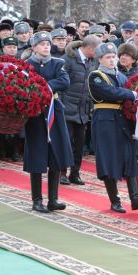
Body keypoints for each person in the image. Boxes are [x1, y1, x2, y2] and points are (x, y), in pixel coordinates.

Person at [87, 42, 138, 213]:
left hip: (121, 119)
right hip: (105, 120)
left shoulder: (121, 76)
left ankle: (135, 197)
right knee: (109, 158)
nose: (112, 60)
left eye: (114, 57)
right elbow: (110, 93)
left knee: (129, 156)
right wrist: (132, 94)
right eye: (108, 57)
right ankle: (115, 200)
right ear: (100, 59)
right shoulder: (96, 76)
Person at [24, 31, 74, 213]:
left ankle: (53, 198)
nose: (46, 46)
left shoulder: (58, 63)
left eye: (48, 43)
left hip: (54, 109)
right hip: (35, 113)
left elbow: (64, 81)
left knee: (56, 154)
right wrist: (43, 85)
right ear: (34, 47)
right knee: (37, 155)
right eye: (42, 44)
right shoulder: (27, 65)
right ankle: (37, 200)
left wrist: (44, 85)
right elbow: (25, 83)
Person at [60, 35, 100, 186]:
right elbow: (62, 82)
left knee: (79, 144)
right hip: (67, 109)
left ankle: (74, 173)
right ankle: (62, 173)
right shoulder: (68, 59)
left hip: (83, 110)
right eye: (97, 49)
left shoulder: (93, 61)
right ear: (89, 48)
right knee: (66, 143)